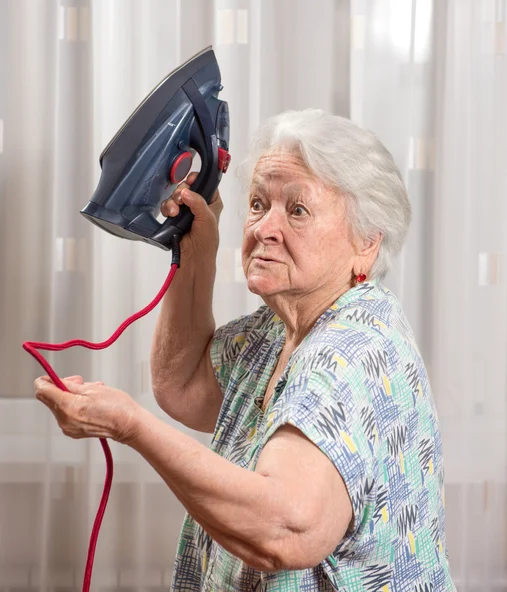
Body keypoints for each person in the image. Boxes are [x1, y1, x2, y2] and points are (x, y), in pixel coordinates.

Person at [35, 109, 455, 591]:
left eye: (297, 210)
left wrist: (130, 426)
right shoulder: (276, 330)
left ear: (366, 243)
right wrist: (198, 247)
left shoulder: (354, 350)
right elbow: (184, 382)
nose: (264, 229)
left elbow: (284, 531)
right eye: (258, 204)